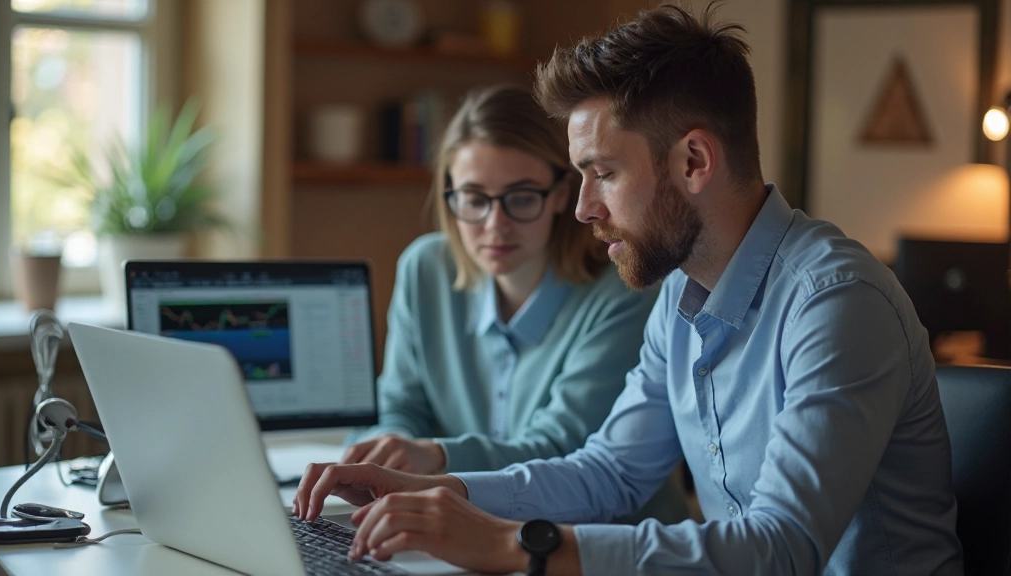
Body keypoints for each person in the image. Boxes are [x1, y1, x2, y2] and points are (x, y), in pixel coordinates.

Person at [294, 5, 962, 575]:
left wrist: (507, 542)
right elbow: (607, 474)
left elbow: (780, 549)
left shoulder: (837, 302)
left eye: (602, 173)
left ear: (694, 161)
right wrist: (429, 491)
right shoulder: (679, 294)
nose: (582, 207)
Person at [340, 85, 680, 524]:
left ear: (561, 193)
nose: (494, 225)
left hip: (606, 543)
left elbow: (563, 448)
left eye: (521, 198)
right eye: (474, 199)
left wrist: (436, 456)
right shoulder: (425, 269)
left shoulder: (622, 290)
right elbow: (402, 405)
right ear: (451, 196)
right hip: (470, 529)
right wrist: (391, 446)